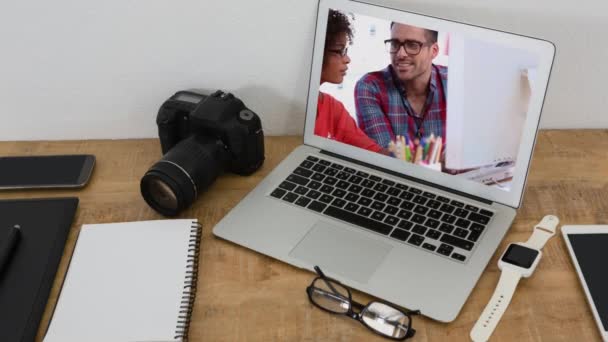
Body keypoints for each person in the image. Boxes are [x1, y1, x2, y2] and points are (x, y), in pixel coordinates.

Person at [354, 22, 447, 153]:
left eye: (412, 45)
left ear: (434, 51)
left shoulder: (455, 83)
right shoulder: (370, 87)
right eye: (395, 44)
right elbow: (385, 159)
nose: (400, 54)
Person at [316, 10, 385, 154]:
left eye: (345, 51)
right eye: (338, 51)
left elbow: (373, 151)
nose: (347, 59)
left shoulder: (333, 108)